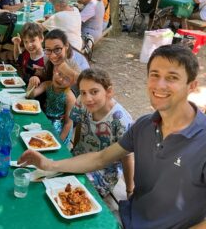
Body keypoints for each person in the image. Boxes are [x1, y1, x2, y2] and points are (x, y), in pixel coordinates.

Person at [19, 44, 206, 228]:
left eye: (172, 77)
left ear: (192, 86)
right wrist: (48, 164)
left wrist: (128, 188)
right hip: (129, 219)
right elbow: (101, 157)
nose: (159, 85)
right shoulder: (144, 125)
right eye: (155, 75)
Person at [70, 68, 134, 198]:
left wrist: (129, 191)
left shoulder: (121, 121)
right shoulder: (81, 102)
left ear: (109, 91)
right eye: (83, 92)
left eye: (94, 92)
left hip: (103, 171)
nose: (88, 98)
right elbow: (79, 126)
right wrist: (74, 151)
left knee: (75, 192)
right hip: (79, 157)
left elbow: (127, 158)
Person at [26, 61, 76, 145]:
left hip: (59, 128)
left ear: (72, 83)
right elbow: (29, 96)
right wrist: (31, 83)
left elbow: (68, 123)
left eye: (66, 78)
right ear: (55, 70)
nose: (60, 79)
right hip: (45, 120)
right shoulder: (47, 84)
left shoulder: (70, 97)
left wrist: (59, 142)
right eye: (59, 73)